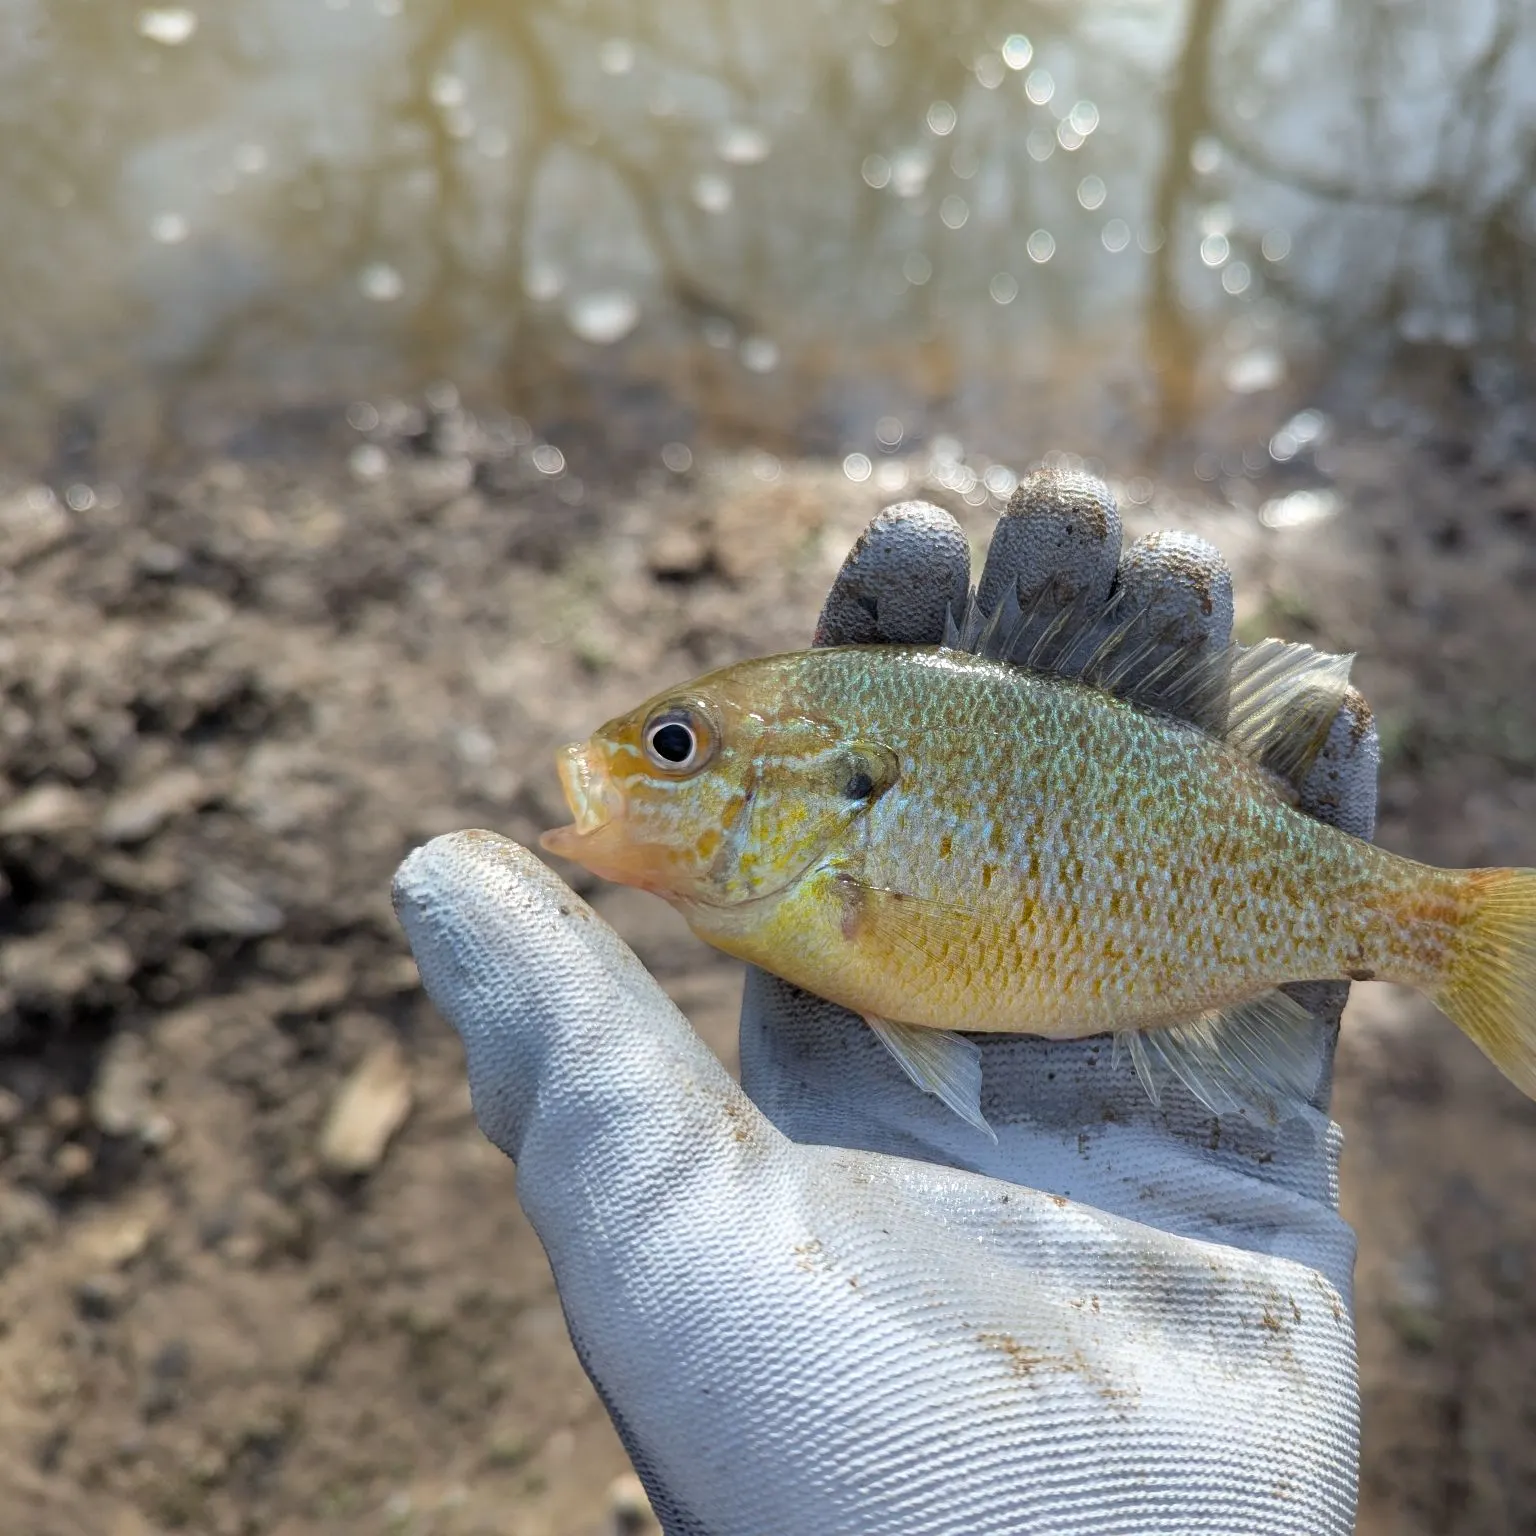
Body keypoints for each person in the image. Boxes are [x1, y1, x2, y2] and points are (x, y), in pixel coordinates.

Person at [393, 469, 1371, 1534]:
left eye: (676, 748)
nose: (629, 768)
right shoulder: (794, 893)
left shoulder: (814, 887)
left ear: (828, 782)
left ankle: (1447, 932)